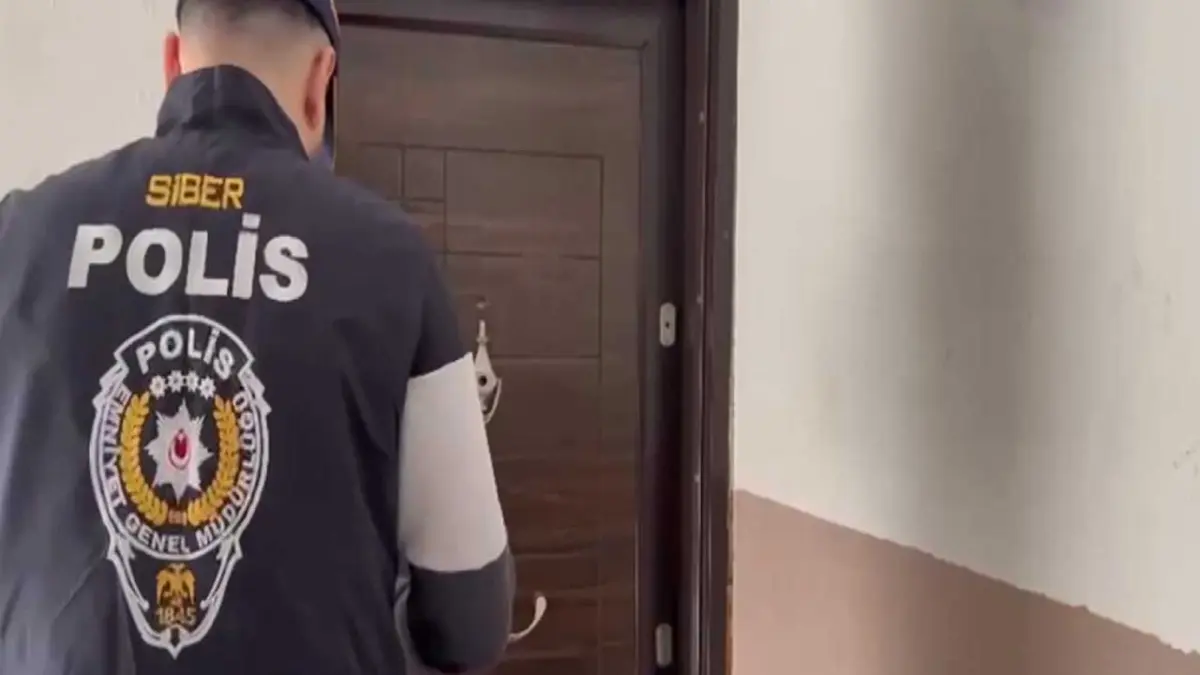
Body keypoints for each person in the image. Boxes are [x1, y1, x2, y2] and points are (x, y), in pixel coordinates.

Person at [0, 0, 514, 672]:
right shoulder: (393, 261)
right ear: (320, 81)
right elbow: (468, 619)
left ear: (172, 63)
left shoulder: (18, 236)